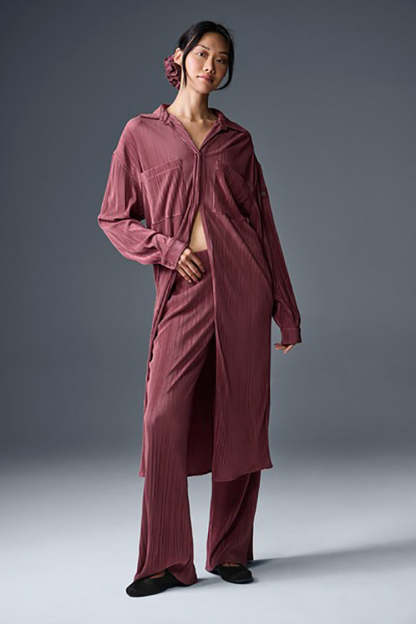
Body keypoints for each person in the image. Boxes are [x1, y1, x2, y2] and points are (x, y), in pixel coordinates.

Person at [97, 20, 302, 597]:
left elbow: (263, 225)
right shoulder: (141, 134)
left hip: (244, 287)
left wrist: (286, 309)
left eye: (223, 59)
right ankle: (164, 560)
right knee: (162, 418)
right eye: (203, 54)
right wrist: (165, 249)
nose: (212, 66)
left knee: (240, 417)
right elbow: (114, 217)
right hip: (184, 288)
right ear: (180, 58)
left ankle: (230, 551)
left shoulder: (238, 141)